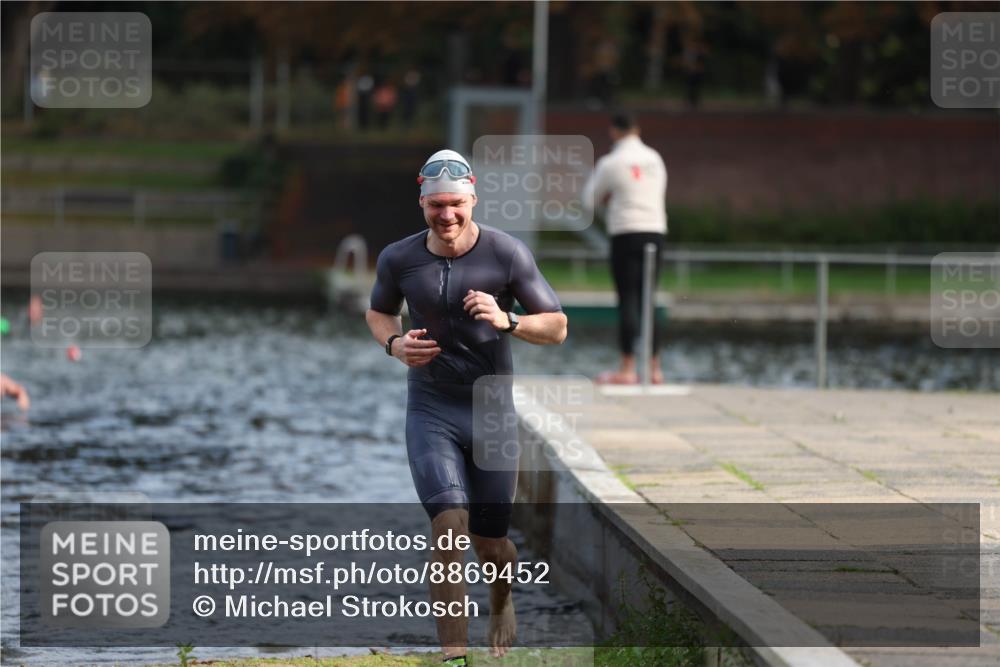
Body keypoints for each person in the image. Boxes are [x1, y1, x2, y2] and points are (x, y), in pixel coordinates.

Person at [366, 149, 567, 665]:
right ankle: (454, 656)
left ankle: (502, 602)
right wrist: (393, 346)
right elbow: (378, 311)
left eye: (456, 203)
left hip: (492, 412)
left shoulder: (506, 254)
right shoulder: (398, 258)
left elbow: (558, 326)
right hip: (431, 409)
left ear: (473, 199)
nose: (447, 215)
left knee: (490, 545)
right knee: (449, 525)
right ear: (422, 202)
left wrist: (509, 321)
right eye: (436, 205)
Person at [583, 112, 668, 384]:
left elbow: (589, 200)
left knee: (628, 299)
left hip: (625, 233)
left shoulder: (611, 162)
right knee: (648, 299)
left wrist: (609, 201)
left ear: (614, 131)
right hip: (655, 231)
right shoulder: (655, 159)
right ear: (637, 128)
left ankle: (628, 369)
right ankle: (655, 369)